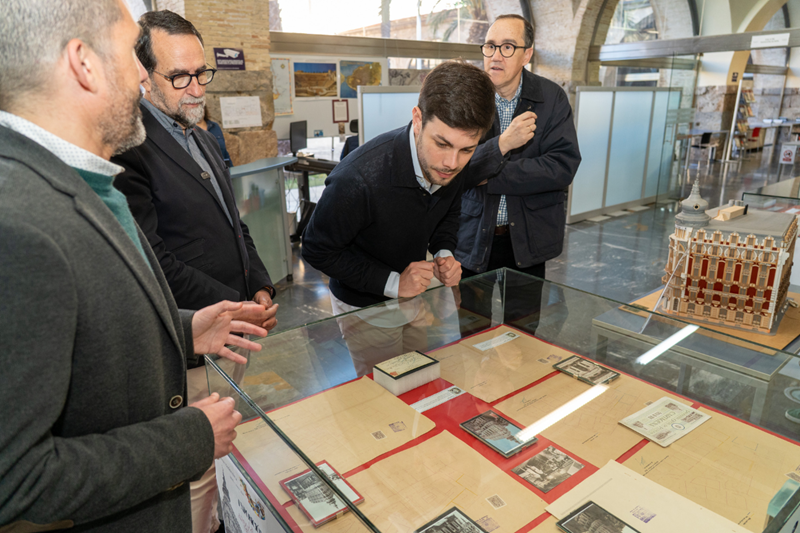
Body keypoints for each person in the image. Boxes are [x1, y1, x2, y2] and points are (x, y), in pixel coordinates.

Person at [0, 1, 268, 532]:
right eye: (132, 56)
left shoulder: (80, 179)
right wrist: (188, 438)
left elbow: (90, 331)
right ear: (84, 64)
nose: (144, 78)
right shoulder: (19, 224)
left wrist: (185, 328)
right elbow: (16, 479)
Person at [111, 11, 277, 533]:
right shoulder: (129, 149)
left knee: (225, 452)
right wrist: (233, 302)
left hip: (233, 326)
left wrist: (262, 281)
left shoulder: (201, 134)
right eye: (178, 77)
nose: (194, 88)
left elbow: (234, 223)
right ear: (143, 75)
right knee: (195, 475)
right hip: (192, 338)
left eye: (201, 73)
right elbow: (155, 262)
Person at [301, 61, 496, 375]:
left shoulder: (453, 162)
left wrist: (445, 252)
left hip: (417, 298)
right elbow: (315, 249)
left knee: (421, 379)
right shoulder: (358, 178)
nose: (451, 163)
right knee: (384, 399)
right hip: (365, 305)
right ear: (417, 119)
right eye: (442, 143)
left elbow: (449, 211)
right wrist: (394, 282)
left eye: (467, 150)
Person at [456, 14, 581, 281]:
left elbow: (561, 167)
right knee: (472, 322)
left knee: (523, 322)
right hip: (474, 234)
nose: (496, 56)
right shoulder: (468, 97)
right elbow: (455, 165)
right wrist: (501, 145)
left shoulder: (551, 98)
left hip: (529, 236)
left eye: (508, 47)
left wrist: (488, 176)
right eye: (490, 46)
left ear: (527, 55)